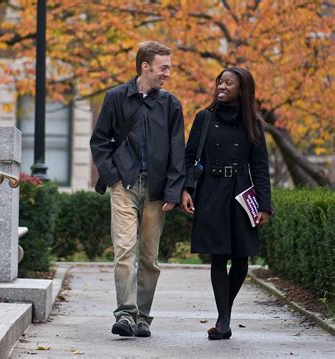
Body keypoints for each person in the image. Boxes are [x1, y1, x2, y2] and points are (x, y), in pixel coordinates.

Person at [90, 41, 186, 337]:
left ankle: (143, 317)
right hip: (125, 186)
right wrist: (114, 178)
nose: (168, 73)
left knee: (149, 258)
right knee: (124, 252)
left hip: (157, 192)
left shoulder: (170, 104)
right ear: (145, 66)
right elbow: (100, 142)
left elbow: (177, 150)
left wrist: (172, 191)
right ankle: (126, 315)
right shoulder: (116, 98)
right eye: (163, 67)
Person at [180, 67, 272, 340]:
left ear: (242, 89)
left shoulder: (253, 124)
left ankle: (224, 312)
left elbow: (260, 167)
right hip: (210, 191)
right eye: (220, 81)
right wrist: (187, 189)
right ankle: (224, 321)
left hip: (242, 193)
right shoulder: (204, 118)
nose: (221, 86)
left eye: (228, 83)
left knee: (241, 261)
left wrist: (265, 206)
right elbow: (188, 157)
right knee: (218, 256)